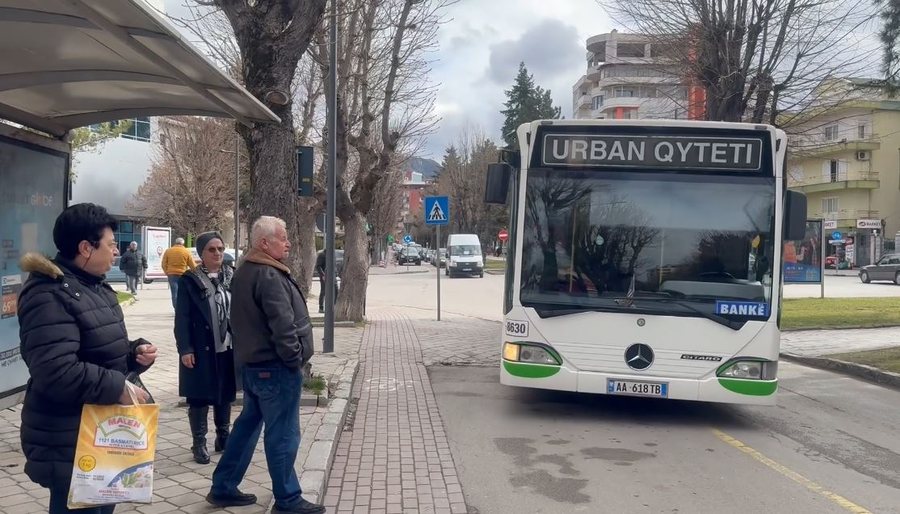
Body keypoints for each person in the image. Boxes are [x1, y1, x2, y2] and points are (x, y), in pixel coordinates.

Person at [17, 203, 157, 514]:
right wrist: (116, 385)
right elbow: (56, 371)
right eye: (111, 245)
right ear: (85, 248)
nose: (117, 253)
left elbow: (96, 348)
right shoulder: (48, 295)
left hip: (99, 434)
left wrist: (133, 354)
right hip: (69, 438)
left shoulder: (92, 286)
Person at [207, 216, 323, 514]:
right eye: (282, 238)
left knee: (246, 429)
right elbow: (283, 326)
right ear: (264, 243)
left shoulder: (246, 271)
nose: (288, 242)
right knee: (283, 435)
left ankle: (223, 486)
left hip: (254, 367)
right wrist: (294, 359)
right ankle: (287, 498)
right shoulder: (268, 275)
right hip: (276, 369)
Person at [174, 231, 237, 465]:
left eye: (220, 249)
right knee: (199, 395)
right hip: (200, 348)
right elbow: (182, 317)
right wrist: (185, 349)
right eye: (212, 249)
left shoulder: (232, 276)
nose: (217, 253)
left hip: (227, 345)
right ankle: (199, 442)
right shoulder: (190, 280)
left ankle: (223, 436)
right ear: (201, 253)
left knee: (225, 393)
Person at [162, 237, 196, 308]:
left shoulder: (168, 251)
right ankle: (182, 309)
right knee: (183, 293)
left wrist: (167, 272)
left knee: (174, 293)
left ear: (175, 242)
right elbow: (192, 265)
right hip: (183, 275)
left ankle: (176, 309)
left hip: (172, 275)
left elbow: (163, 264)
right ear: (183, 243)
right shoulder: (186, 251)